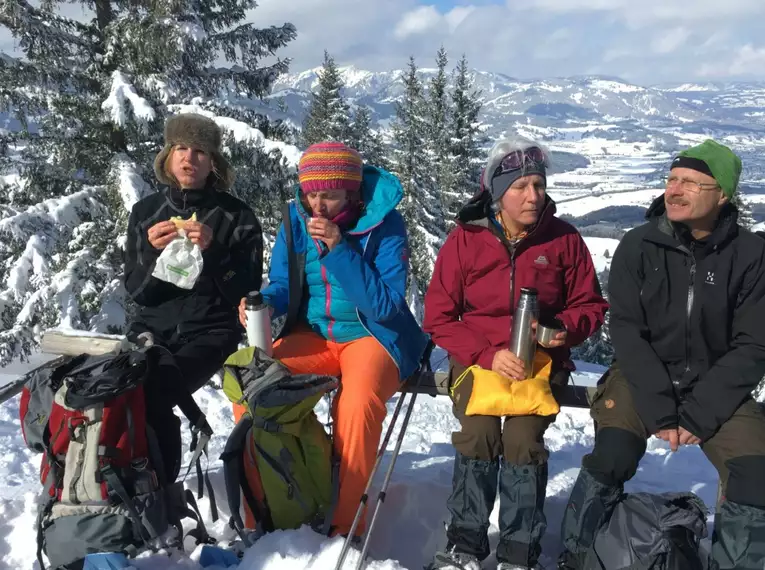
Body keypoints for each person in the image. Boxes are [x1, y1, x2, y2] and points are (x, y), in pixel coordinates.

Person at [558, 140, 765, 570]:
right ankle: (576, 556)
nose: (675, 189)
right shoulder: (639, 246)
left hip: (715, 384)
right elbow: (628, 332)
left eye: (690, 182)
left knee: (756, 471)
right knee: (612, 454)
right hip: (641, 376)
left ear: (722, 194)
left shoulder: (750, 255)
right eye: (672, 179)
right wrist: (660, 411)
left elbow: (754, 344)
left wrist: (700, 413)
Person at [423, 136, 608, 570]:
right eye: (520, 187)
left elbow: (591, 306)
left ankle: (519, 551)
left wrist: (563, 330)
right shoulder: (466, 240)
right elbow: (439, 317)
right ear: (496, 191)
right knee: (479, 434)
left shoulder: (562, 240)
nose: (533, 196)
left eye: (538, 186)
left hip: (541, 363)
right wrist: (486, 355)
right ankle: (465, 544)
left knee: (523, 440)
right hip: (478, 359)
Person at [237, 141, 430, 538]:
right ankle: (263, 509)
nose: (318, 205)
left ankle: (345, 525)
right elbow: (282, 284)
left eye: (330, 195)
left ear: (352, 193)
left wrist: (339, 248)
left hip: (373, 335)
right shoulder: (294, 220)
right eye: (311, 194)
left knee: (357, 406)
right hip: (315, 333)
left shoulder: (386, 224)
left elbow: (385, 304)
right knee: (251, 387)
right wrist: (264, 304)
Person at [124, 113, 263, 483]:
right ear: (167, 157)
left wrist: (214, 251)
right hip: (151, 329)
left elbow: (248, 293)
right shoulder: (145, 214)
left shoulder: (237, 217)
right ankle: (125, 484)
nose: (190, 158)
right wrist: (153, 256)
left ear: (214, 162)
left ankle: (159, 492)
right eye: (181, 148)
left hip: (211, 331)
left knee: (153, 396)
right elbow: (138, 293)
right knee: (118, 394)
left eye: (200, 151)